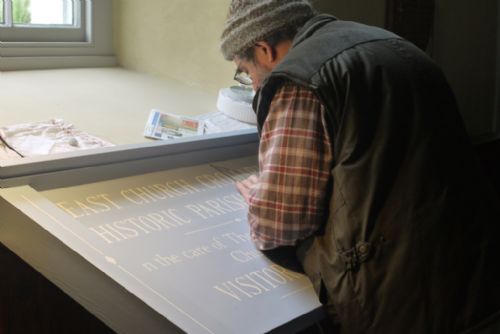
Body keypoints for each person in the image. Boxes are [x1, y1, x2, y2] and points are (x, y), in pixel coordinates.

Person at [220, 0, 500, 333]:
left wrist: (259, 196)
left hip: (400, 300)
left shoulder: (300, 80)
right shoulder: (395, 45)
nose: (252, 84)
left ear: (263, 49)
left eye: (245, 71)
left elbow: (278, 224)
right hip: (477, 269)